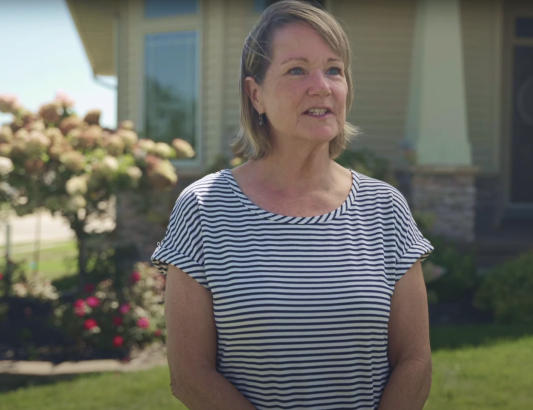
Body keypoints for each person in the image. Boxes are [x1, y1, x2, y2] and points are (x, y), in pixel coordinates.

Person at [151, 1, 434, 408]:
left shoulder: (385, 207)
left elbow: (415, 361)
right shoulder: (203, 207)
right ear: (256, 95)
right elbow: (190, 375)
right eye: (297, 69)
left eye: (334, 69)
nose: (321, 86)